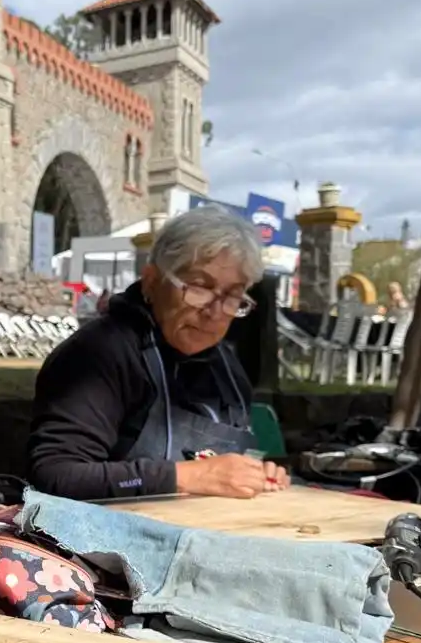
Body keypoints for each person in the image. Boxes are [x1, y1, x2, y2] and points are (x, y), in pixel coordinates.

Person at [26, 205, 290, 501]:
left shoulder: (227, 368)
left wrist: (253, 473)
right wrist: (185, 477)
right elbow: (57, 477)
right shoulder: (98, 355)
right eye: (200, 287)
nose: (215, 312)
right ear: (152, 281)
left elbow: (221, 467)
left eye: (232, 296)